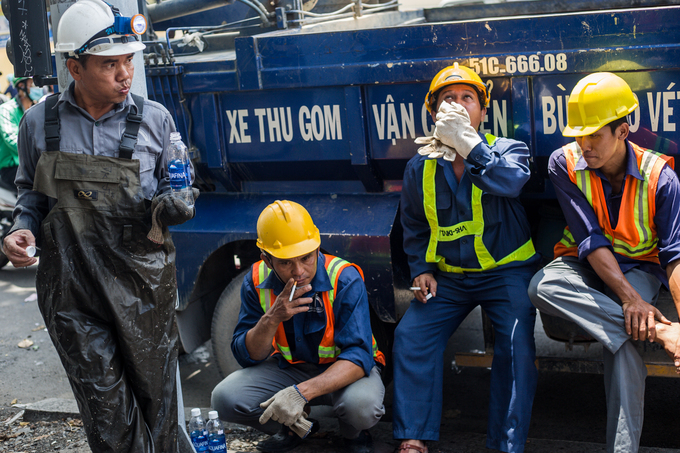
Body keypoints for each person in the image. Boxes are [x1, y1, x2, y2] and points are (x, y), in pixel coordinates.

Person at [1, 0, 197, 451]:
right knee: (108, 418)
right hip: (73, 294)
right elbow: (31, 191)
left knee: (159, 409)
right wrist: (20, 228)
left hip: (142, 290)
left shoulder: (154, 119)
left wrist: (178, 202)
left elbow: (180, 183)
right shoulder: (38, 122)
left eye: (128, 60)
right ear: (74, 67)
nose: (125, 74)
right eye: (110, 64)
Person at [528, 72, 680, 453]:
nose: (585, 144)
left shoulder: (661, 177)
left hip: (640, 266)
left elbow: (674, 255)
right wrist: (641, 310)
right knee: (541, 286)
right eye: (579, 134)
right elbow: (589, 238)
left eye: (595, 134)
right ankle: (660, 331)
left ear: (623, 131)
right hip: (584, 262)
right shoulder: (563, 163)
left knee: (623, 343)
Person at [394, 63, 540, 453]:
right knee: (411, 337)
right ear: (434, 113)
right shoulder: (419, 167)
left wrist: (469, 145)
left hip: (505, 274)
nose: (457, 106)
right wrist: (422, 269)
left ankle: (506, 445)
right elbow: (414, 224)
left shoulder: (506, 148)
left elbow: (510, 182)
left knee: (515, 345)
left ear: (482, 110)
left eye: (467, 99)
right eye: (448, 100)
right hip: (451, 280)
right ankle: (414, 436)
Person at [211, 200, 386, 453]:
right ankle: (294, 427)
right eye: (285, 263)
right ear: (268, 260)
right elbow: (246, 355)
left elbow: (359, 356)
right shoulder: (256, 280)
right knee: (224, 399)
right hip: (291, 369)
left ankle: (354, 435)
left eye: (306, 258)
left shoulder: (344, 277)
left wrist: (299, 393)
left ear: (316, 248)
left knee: (362, 407)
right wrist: (272, 318)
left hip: (344, 372)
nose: (299, 271)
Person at [0, 76, 40, 194]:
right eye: (32, 84)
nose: (37, 88)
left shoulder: (36, 110)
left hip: (32, 165)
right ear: (21, 86)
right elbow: (12, 139)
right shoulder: (6, 110)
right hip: (12, 169)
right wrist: (37, 152)